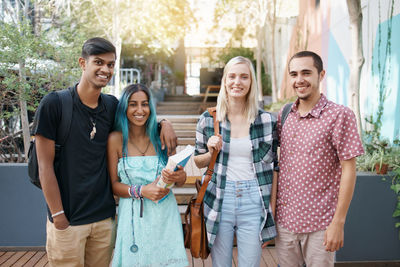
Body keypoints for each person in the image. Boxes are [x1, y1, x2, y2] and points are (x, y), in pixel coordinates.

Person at [34, 37, 177, 267]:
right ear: (83, 63)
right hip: (68, 220)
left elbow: (139, 117)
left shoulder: (111, 106)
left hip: (103, 221)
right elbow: (44, 166)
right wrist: (58, 216)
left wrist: (164, 123)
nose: (105, 69)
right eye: (98, 62)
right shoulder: (55, 104)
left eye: (110, 64)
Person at [274, 51, 364, 267]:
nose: (299, 80)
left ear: (321, 74)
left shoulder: (340, 115)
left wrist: (338, 223)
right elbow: (277, 165)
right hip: (285, 224)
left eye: (306, 72)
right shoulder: (284, 114)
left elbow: (349, 170)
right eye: (294, 74)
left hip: (320, 225)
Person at [194, 56, 278, 267]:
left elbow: (274, 168)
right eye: (232, 76)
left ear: (251, 82)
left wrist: (272, 210)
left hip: (254, 199)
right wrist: (211, 150)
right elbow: (198, 161)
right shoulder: (209, 119)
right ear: (224, 81)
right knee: (220, 264)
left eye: (244, 77)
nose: (237, 82)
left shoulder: (267, 121)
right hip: (220, 197)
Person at [107, 83, 188, 267]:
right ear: (124, 107)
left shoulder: (161, 135)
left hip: (165, 216)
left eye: (144, 104)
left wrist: (178, 177)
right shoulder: (115, 139)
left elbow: (181, 179)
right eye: (133, 104)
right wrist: (141, 190)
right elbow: (113, 185)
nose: (140, 110)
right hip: (133, 218)